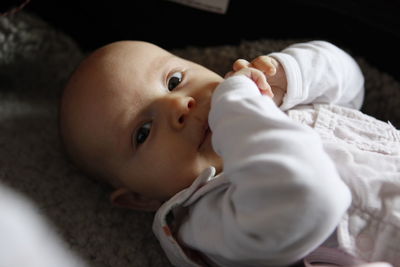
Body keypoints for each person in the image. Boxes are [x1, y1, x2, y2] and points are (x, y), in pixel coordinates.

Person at [59, 40, 400, 267]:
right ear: (139, 198)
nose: (178, 105)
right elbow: (310, 200)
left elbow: (352, 82)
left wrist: (288, 75)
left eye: (174, 80)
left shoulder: (275, 96)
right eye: (143, 133)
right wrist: (237, 106)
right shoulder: (206, 220)